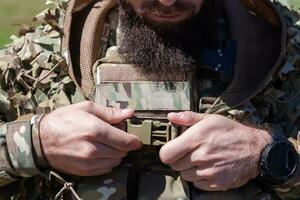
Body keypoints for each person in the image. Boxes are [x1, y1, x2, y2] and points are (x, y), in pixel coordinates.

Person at [0, 0, 300, 199]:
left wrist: (267, 155)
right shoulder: (40, 60)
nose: (168, 0)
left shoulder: (285, 51)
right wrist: (34, 143)